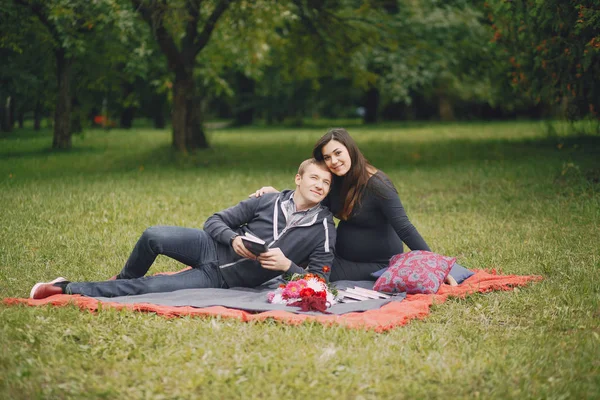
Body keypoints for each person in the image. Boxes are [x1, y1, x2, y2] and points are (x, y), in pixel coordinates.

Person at [30, 159, 336, 299]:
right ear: (298, 178)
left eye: (326, 182)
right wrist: (233, 238)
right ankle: (121, 281)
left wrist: (287, 267)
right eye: (314, 178)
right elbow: (214, 221)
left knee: (148, 289)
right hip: (209, 245)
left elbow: (321, 280)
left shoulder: (323, 227)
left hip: (219, 278)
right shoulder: (267, 199)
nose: (319, 185)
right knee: (153, 235)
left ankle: (65, 287)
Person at [253, 128, 433, 282]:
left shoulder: (379, 186)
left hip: (378, 263)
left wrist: (435, 266)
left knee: (314, 277)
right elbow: (312, 203)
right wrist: (279, 195)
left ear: (350, 150)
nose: (334, 161)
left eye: (338, 153)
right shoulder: (338, 180)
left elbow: (405, 228)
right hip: (337, 253)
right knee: (291, 260)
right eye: (327, 157)